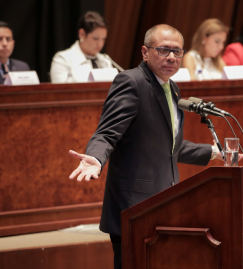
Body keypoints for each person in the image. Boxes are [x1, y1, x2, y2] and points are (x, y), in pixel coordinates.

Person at [68, 24, 224, 269]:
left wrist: (213, 152)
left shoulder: (171, 88)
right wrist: (96, 159)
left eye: (177, 51)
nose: (171, 57)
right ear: (145, 52)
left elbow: (168, 146)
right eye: (163, 50)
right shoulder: (131, 82)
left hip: (165, 203)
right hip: (134, 207)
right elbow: (107, 134)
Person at [50, 11, 113, 83]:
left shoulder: (105, 61)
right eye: (95, 38)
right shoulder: (63, 59)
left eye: (103, 39)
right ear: (82, 34)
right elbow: (59, 92)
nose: (100, 44)